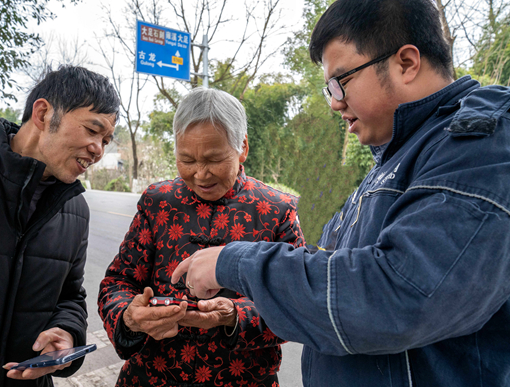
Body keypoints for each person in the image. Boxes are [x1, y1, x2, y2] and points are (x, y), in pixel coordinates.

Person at [172, 1, 510, 386]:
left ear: (406, 63)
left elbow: (397, 297)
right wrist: (242, 306)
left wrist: (236, 262)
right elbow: (333, 281)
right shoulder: (400, 158)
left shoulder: (481, 145)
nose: (334, 102)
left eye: (341, 81)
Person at [98, 87, 305, 387]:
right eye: (187, 160)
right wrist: (129, 317)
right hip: (151, 378)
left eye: (213, 159)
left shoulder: (276, 211)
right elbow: (118, 281)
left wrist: (233, 315)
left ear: (242, 148)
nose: (201, 174)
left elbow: (296, 303)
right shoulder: (159, 202)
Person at [0, 65, 120, 386]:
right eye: (92, 130)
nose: (99, 150)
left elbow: (70, 297)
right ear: (43, 114)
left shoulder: (75, 208)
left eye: (106, 139)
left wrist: (67, 333)